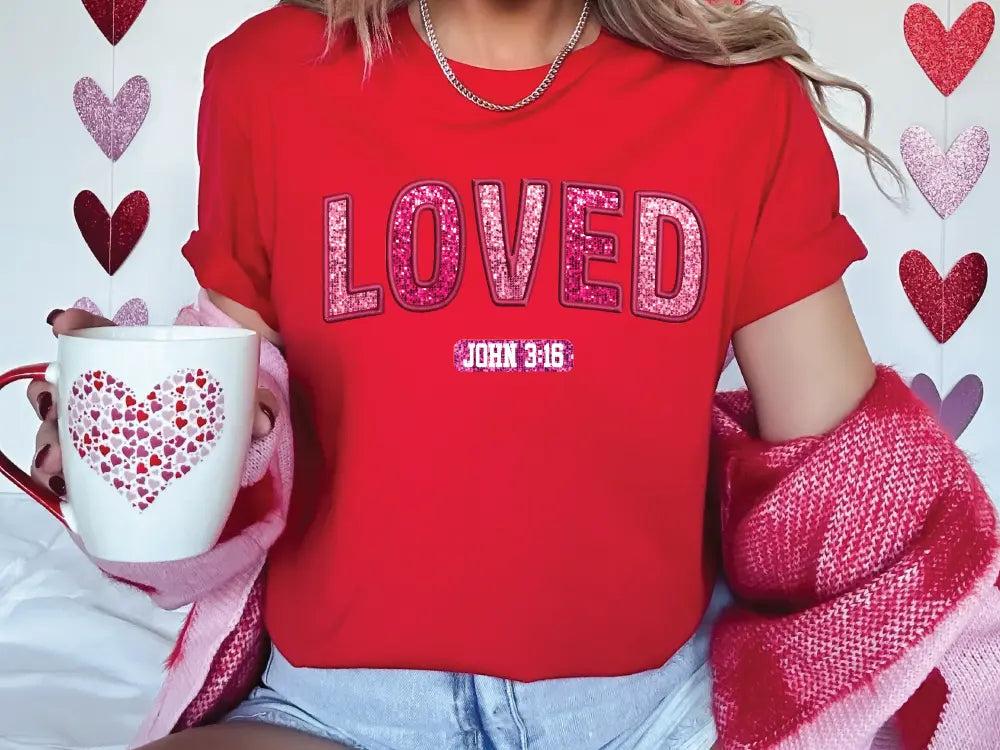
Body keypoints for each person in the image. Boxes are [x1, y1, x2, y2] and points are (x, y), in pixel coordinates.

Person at [26, 0, 911, 748]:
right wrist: (143, 437)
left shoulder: (739, 100)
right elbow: (233, 459)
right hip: (332, 712)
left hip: (651, 717)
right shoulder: (268, 75)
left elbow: (850, 499)